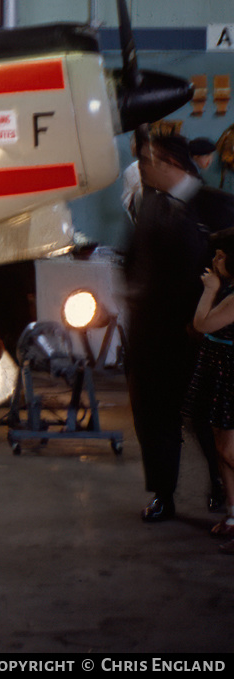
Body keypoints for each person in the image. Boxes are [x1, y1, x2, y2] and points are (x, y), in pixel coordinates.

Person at [124, 134, 234, 522]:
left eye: (146, 161)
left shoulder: (220, 207)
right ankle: (163, 493)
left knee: (209, 418)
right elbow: (134, 264)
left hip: (205, 336)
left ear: (170, 161)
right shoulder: (148, 205)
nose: (140, 169)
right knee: (154, 416)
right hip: (152, 337)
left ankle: (221, 484)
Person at [189, 228, 234, 552]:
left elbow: (202, 325)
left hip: (230, 371)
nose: (215, 260)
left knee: (228, 451)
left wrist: (209, 290)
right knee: (220, 444)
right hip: (218, 367)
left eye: (221, 256)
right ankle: (233, 514)